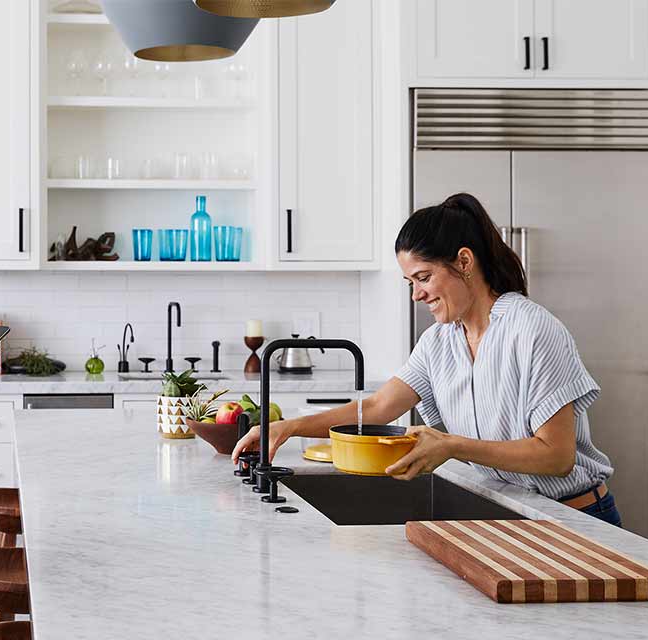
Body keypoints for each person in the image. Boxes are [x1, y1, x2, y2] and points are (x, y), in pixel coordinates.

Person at [233, 193, 621, 527]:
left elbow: (557, 456)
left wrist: (451, 445)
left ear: (464, 263)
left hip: (574, 518)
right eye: (410, 283)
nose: (416, 294)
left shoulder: (532, 330)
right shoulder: (439, 341)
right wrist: (286, 427)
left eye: (423, 277)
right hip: (511, 511)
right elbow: (379, 407)